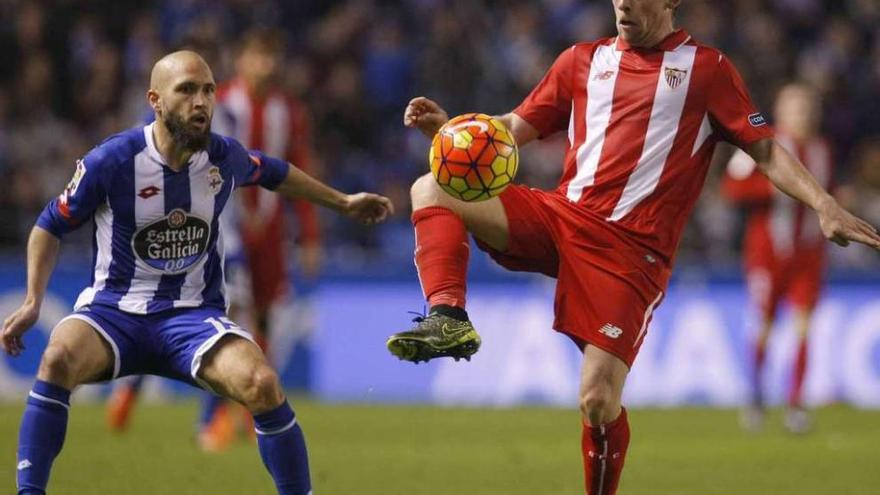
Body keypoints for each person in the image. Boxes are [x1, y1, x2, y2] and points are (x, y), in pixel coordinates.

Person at [384, 1, 880, 493]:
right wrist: (454, 134)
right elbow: (512, 129)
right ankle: (448, 317)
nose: (623, 2)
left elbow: (765, 150)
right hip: (561, 218)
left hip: (631, 253)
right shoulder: (580, 60)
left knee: (597, 399)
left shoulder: (707, 70)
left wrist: (824, 204)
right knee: (432, 187)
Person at [1, 50, 393, 495]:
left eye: (207, 89)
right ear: (155, 99)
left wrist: (342, 202)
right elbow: (49, 224)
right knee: (56, 358)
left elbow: (277, 173)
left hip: (192, 318)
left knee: (262, 383)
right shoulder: (112, 161)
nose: (201, 101)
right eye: (186, 90)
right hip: (114, 314)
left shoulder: (223, 157)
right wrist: (34, 299)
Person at [105, 29, 323, 452]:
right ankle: (210, 418)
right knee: (208, 317)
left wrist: (308, 232)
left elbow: (288, 166)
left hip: (254, 230)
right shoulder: (210, 113)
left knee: (242, 318)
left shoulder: (271, 112)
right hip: (210, 232)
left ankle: (228, 411)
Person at [723, 83, 833, 434]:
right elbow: (731, 187)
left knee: (803, 325)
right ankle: (755, 395)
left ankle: (796, 403)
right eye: (796, 106)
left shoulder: (821, 149)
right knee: (766, 325)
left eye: (808, 106)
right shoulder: (762, 143)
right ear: (782, 110)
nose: (804, 113)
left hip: (809, 254)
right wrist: (770, 187)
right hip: (768, 254)